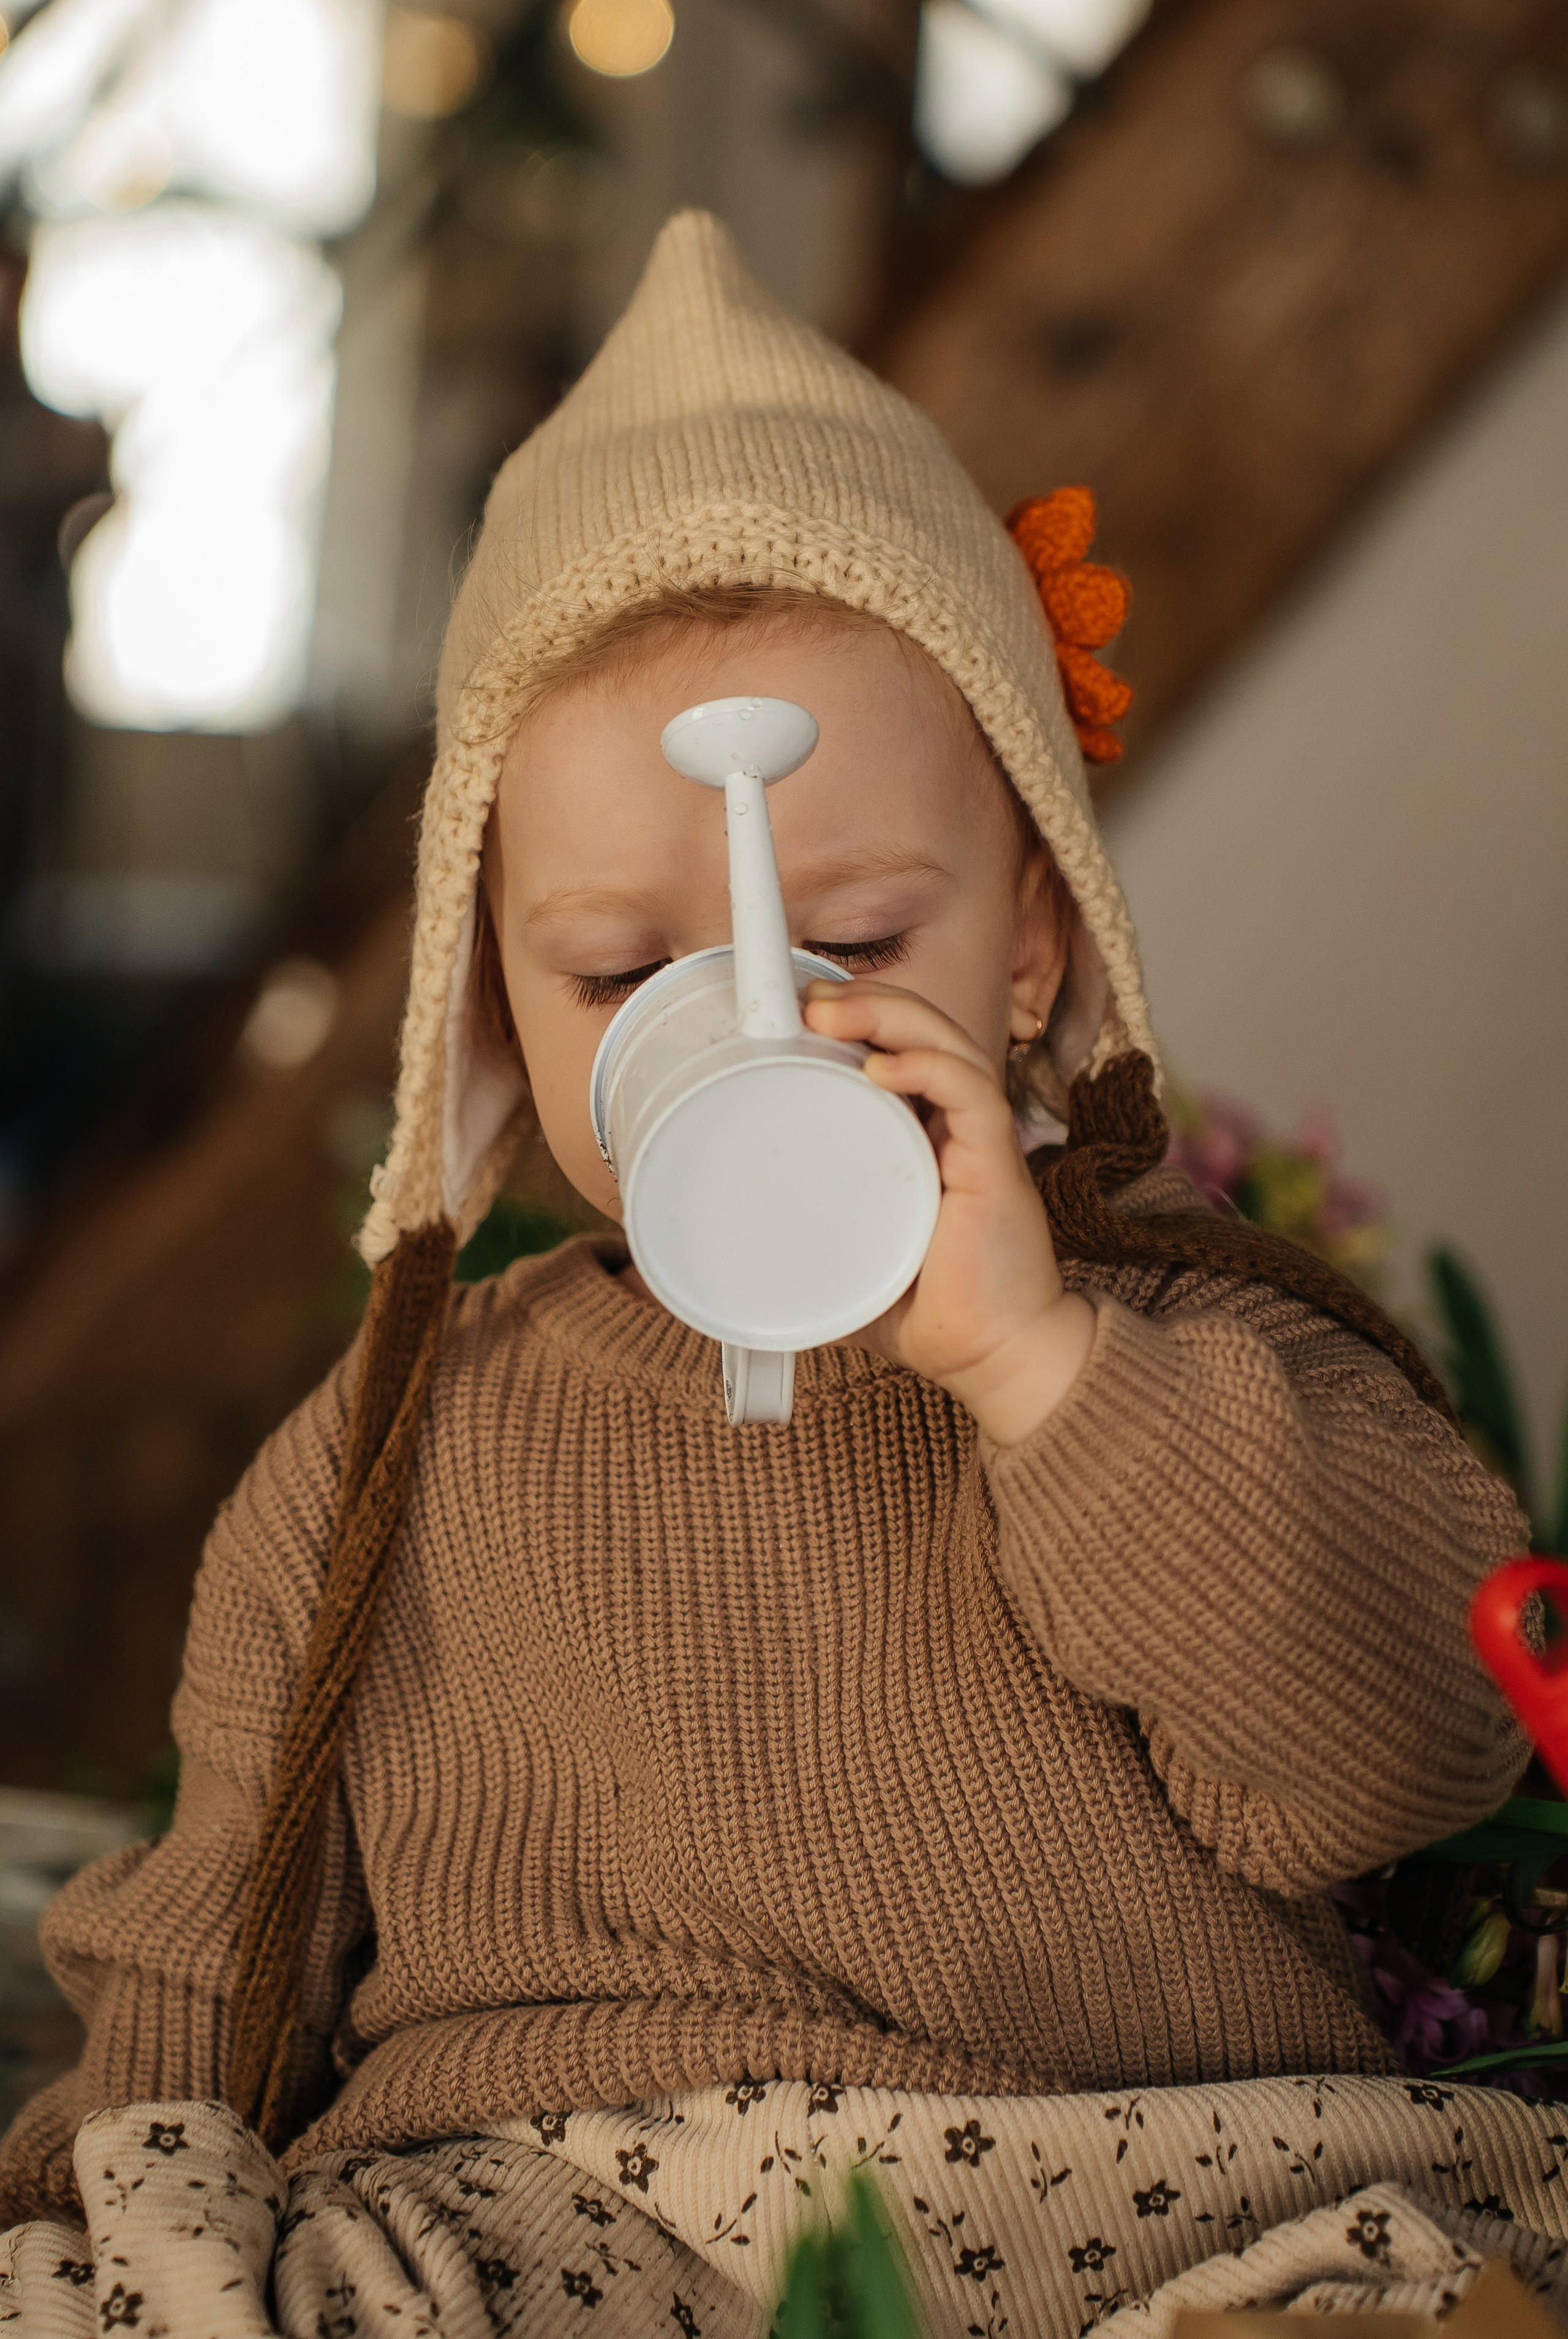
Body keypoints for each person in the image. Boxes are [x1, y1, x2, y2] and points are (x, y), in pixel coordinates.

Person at [0, 212, 1557, 2338]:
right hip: (562, 2210)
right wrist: (116, 2209)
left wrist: (1046, 1367)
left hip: (1154, 2191)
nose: (754, 1025)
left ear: (1030, 946)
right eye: (632, 970)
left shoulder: (1196, 1336)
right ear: (487, 1014)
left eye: (859, 938)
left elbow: (1411, 1755)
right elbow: (212, 1947)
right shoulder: (394, 1447)